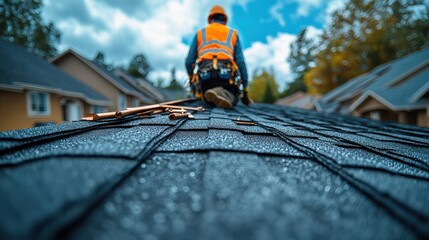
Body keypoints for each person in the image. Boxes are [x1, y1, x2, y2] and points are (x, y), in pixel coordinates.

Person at [185, 5, 252, 108]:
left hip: (204, 79)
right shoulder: (232, 34)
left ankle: (211, 94)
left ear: (210, 19)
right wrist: (245, 90)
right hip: (227, 79)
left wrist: (192, 82)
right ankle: (224, 94)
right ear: (225, 20)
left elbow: (189, 61)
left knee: (203, 98)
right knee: (235, 100)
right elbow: (241, 62)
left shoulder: (200, 33)